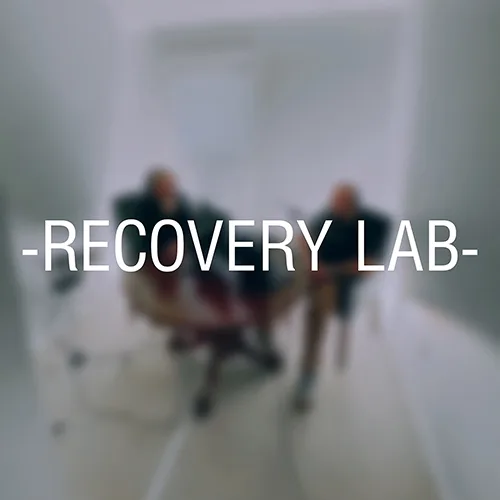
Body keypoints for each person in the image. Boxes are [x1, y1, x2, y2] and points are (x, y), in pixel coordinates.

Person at [293, 183, 390, 412]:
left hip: (341, 280)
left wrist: (328, 271)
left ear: (352, 204)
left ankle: (307, 376)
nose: (332, 205)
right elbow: (304, 237)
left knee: (316, 312)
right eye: (333, 200)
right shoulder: (329, 216)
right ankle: (264, 326)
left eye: (339, 201)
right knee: (276, 274)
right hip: (317, 270)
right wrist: (311, 262)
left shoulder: (375, 224)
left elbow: (369, 266)